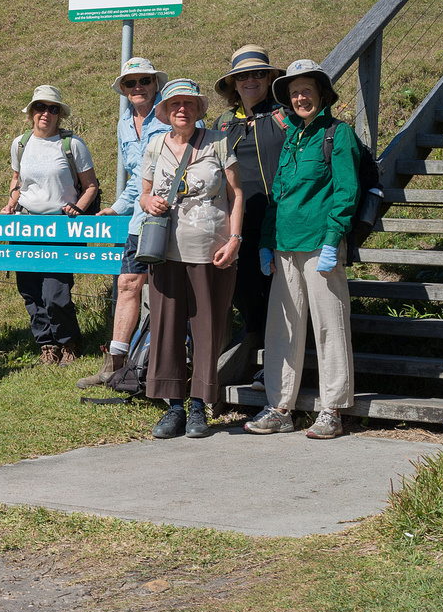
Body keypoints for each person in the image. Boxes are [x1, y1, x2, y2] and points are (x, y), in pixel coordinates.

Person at [245, 59, 359, 440]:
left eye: (307, 90)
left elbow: (346, 192)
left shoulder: (337, 134)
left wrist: (333, 240)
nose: (300, 98)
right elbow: (276, 198)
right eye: (294, 93)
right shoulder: (292, 138)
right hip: (284, 247)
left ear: (322, 94)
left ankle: (333, 409)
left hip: (319, 244)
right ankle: (280, 408)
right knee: (283, 328)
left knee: (330, 326)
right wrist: (264, 244)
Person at [139, 79, 244, 439]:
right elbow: (145, 192)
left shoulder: (217, 142)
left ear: (199, 110)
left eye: (188, 103)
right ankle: (173, 407)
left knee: (207, 328)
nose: (181, 109)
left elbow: (237, 193)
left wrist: (234, 239)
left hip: (210, 252)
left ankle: (199, 405)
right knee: (166, 327)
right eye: (174, 104)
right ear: (165, 111)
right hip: (165, 251)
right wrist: (148, 202)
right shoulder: (155, 144)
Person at [77, 57, 171, 389]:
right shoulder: (123, 124)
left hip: (172, 220)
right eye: (130, 84)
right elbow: (136, 178)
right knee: (127, 285)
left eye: (143, 81)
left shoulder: (173, 113)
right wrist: (117, 209)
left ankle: (167, 362)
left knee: (169, 291)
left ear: (155, 84)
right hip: (139, 221)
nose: (137, 88)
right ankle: (114, 365)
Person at [2, 85, 99, 365]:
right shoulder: (20, 144)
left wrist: (78, 207)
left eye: (53, 109)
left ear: (60, 115)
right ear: (32, 112)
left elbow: (90, 185)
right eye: (40, 108)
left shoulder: (72, 145)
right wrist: (11, 204)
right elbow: (18, 180)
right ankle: (46, 344)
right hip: (25, 225)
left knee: (56, 292)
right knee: (30, 290)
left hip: (61, 227)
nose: (46, 113)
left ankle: (69, 342)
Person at [212, 45, 288, 390]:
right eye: (243, 75)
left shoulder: (284, 116)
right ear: (233, 84)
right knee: (244, 291)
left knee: (278, 293)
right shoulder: (223, 124)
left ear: (271, 77)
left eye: (259, 73)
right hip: (237, 224)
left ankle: (273, 365)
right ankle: (253, 355)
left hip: (280, 222)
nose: (251, 80)